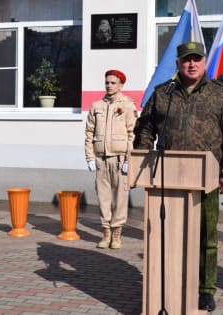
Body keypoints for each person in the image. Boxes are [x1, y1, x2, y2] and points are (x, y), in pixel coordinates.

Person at [133, 42, 223, 311]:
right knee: (167, 235)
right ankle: (170, 283)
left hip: (207, 179)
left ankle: (205, 289)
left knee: (206, 237)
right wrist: (143, 154)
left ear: (204, 62)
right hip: (167, 180)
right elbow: (145, 127)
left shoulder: (222, 94)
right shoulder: (163, 94)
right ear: (178, 64)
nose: (191, 64)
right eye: (186, 60)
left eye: (196, 59)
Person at [85, 69, 137, 249]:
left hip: (120, 158)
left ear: (121, 85)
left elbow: (132, 134)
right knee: (103, 198)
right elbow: (89, 133)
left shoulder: (128, 105)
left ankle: (116, 234)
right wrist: (90, 157)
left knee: (120, 198)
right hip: (101, 159)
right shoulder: (96, 106)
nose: (109, 85)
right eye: (107, 82)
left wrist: (129, 160)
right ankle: (105, 232)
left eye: (113, 82)